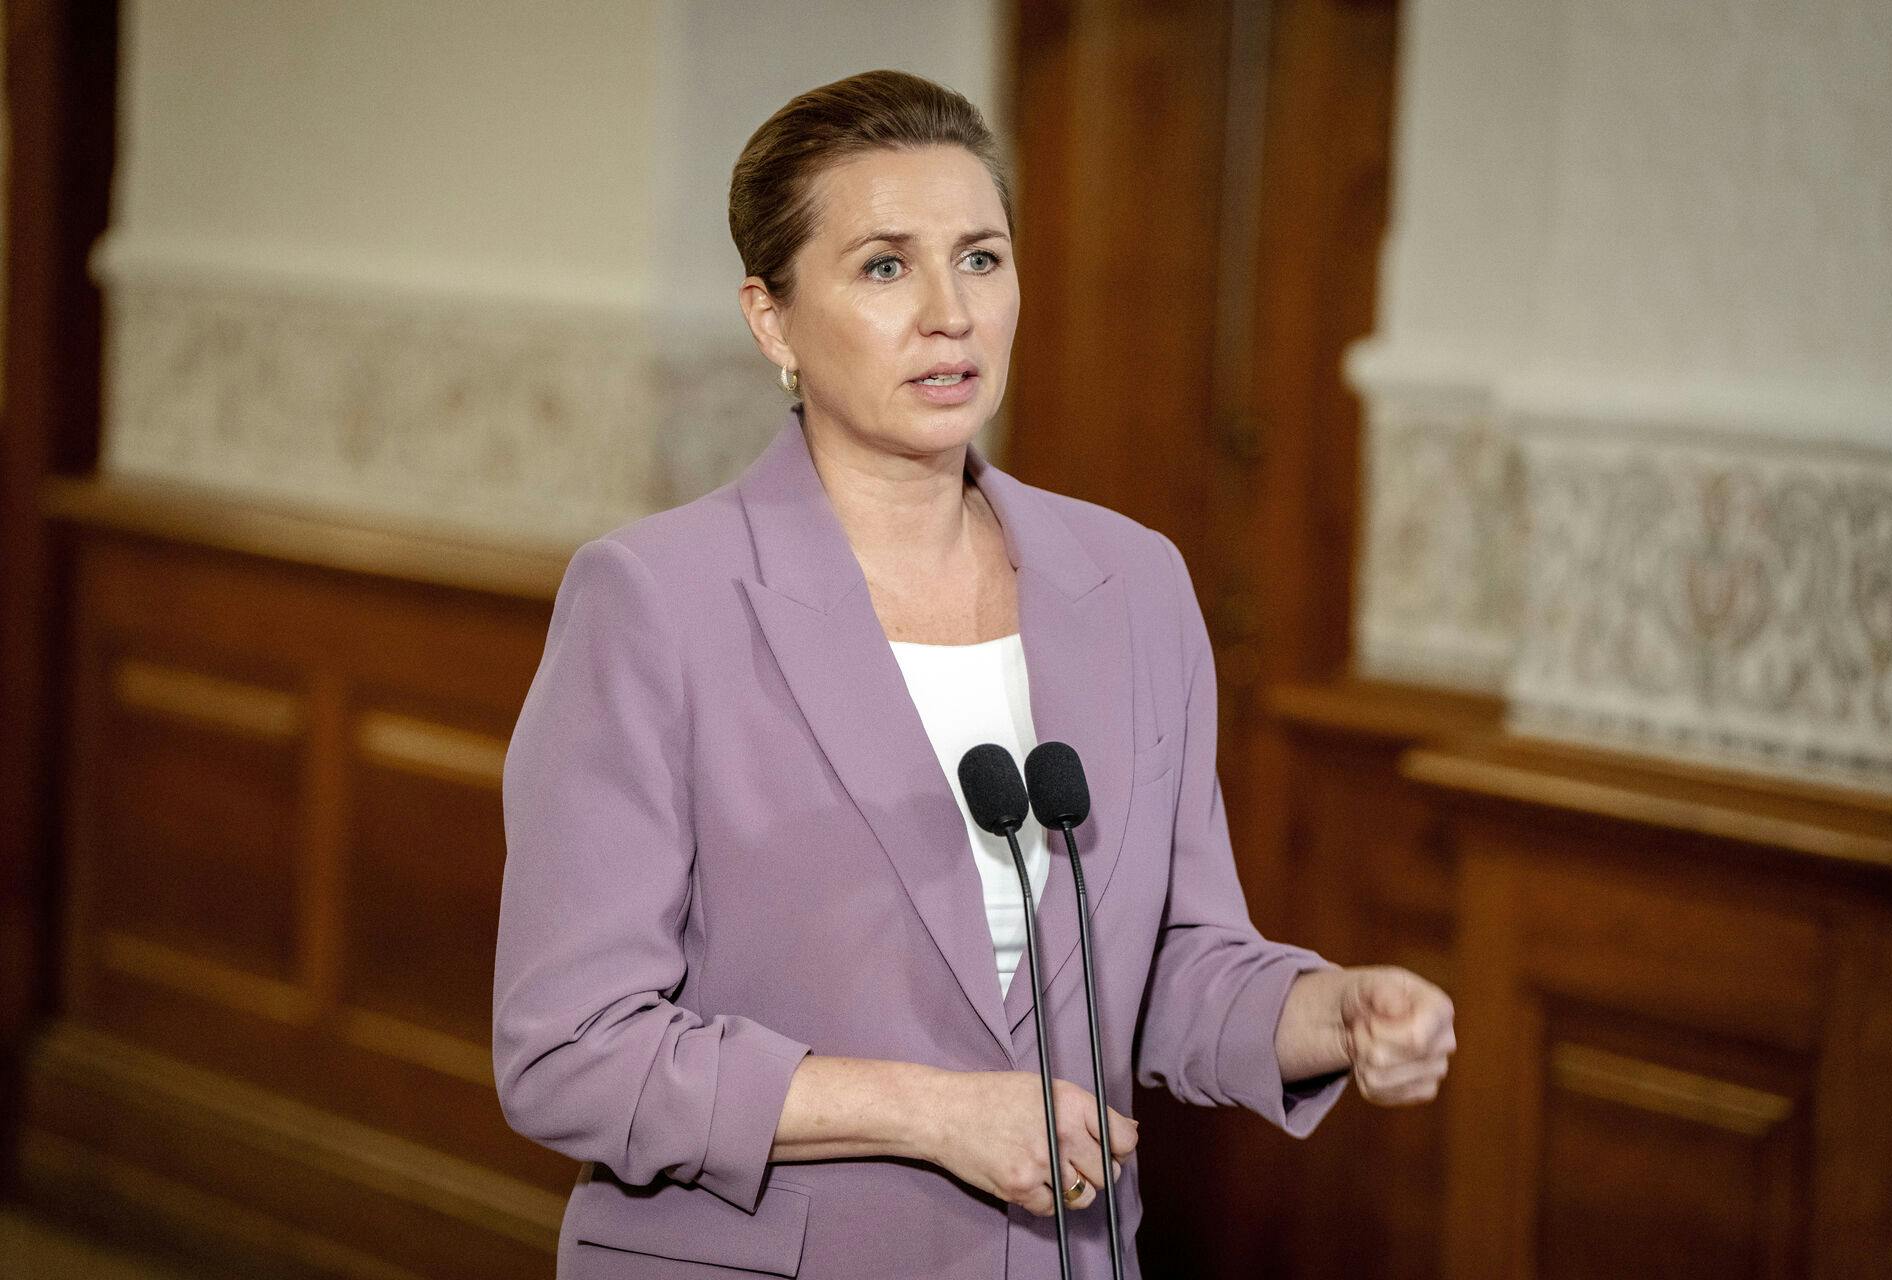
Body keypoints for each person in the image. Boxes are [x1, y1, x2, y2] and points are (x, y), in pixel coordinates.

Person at [493, 69, 1455, 1280]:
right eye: (885, 266)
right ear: (772, 318)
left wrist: (1330, 1015)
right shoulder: (654, 602)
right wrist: (933, 1112)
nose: (950, 312)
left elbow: (1160, 964)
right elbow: (570, 1048)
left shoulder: (1135, 583)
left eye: (982, 258)